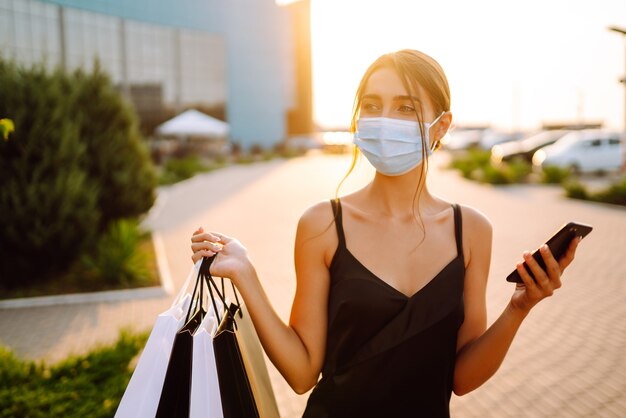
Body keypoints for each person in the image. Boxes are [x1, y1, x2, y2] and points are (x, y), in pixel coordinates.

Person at [190, 49, 580, 417]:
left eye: (405, 107)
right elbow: (302, 373)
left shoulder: (472, 231)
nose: (384, 119)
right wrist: (246, 274)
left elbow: (462, 379)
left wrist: (518, 308)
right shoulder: (323, 225)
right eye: (372, 105)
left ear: (441, 125)